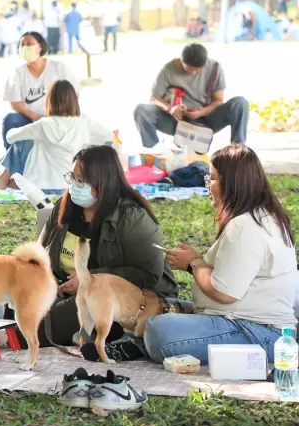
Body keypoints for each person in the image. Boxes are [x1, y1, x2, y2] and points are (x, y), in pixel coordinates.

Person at [144, 145, 296, 364]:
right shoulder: (262, 216)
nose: (208, 186)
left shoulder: (245, 226)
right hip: (247, 324)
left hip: (258, 332)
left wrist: (193, 263)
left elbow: (224, 292)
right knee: (160, 305)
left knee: (157, 330)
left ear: (231, 183)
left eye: (212, 179)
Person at [35, 145, 179, 349]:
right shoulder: (64, 207)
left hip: (129, 298)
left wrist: (90, 279)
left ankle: (13, 337)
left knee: (58, 317)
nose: (75, 186)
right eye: (73, 178)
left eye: (83, 181)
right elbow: (39, 256)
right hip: (71, 291)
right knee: (23, 304)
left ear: (104, 182)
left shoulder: (132, 218)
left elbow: (149, 275)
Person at [0, 80, 112, 192]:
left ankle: (4, 179)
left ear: (50, 100)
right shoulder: (84, 122)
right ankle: (7, 180)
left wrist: (33, 134)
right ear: (74, 100)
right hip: (70, 186)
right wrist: (84, 143)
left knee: (24, 142)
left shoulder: (44, 124)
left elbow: (10, 137)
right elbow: (108, 136)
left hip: (40, 187)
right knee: (36, 143)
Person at [133, 43, 249, 149]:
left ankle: (238, 151)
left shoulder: (214, 68)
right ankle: (153, 150)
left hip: (206, 118)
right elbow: (154, 99)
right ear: (181, 61)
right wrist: (170, 109)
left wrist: (200, 112)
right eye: (190, 69)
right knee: (141, 110)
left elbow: (218, 101)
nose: (193, 72)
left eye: (197, 70)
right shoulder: (168, 70)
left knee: (240, 103)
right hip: (176, 119)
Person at [1, 32, 81, 149]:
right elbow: (15, 103)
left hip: (58, 118)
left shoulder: (58, 68)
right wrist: (36, 117)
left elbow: (74, 94)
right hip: (29, 119)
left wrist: (56, 115)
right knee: (10, 119)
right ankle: (11, 161)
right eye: (22, 44)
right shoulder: (17, 73)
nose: (25, 47)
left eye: (29, 43)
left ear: (40, 47)